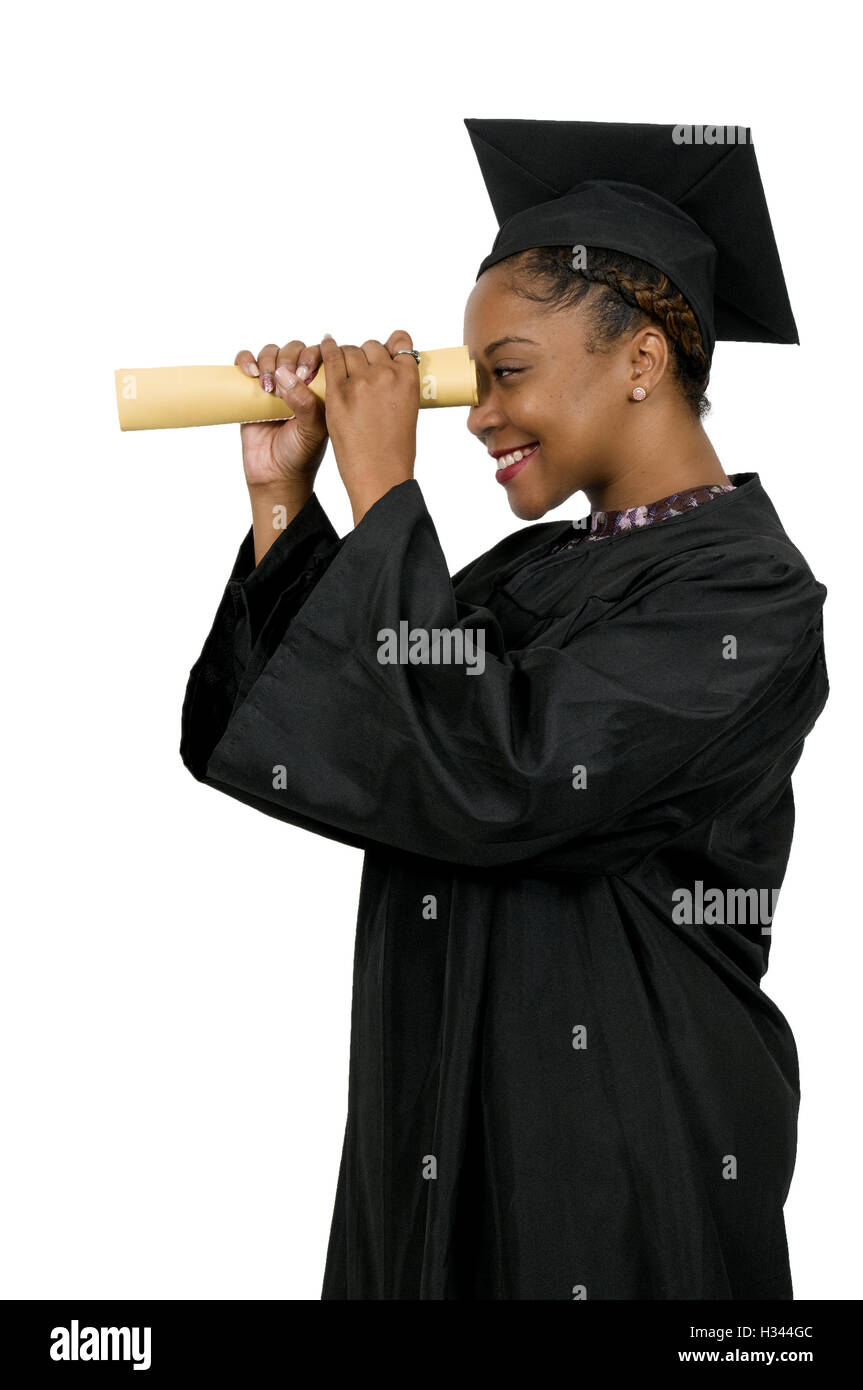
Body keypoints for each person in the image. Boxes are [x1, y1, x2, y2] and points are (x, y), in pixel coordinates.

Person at [180, 120, 829, 1299]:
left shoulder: (747, 594)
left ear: (638, 359)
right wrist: (287, 498)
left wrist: (385, 488)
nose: (476, 413)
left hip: (615, 1156)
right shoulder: (520, 576)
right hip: (432, 1130)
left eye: (507, 371)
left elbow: (507, 773)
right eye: (470, 379)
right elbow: (365, 740)